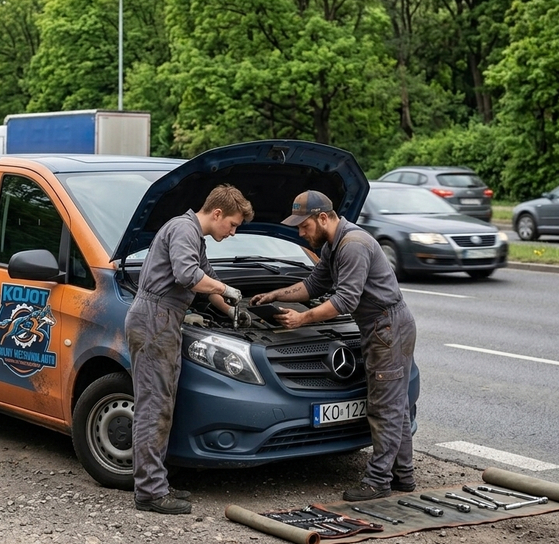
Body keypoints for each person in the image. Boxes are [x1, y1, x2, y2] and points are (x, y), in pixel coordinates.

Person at [250, 190, 417, 502]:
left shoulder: (353, 245)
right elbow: (314, 285)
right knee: (396, 404)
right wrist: (274, 295)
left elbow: (345, 300)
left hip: (388, 327)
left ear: (323, 217)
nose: (300, 232)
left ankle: (378, 481)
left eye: (304, 226)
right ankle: (402, 475)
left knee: (384, 407)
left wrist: (303, 320)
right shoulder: (332, 245)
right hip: (379, 326)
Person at [126, 184, 254, 514]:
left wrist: (232, 310)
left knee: (162, 403)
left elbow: (205, 277)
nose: (233, 232)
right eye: (233, 225)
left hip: (163, 319)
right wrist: (229, 290)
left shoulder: (193, 236)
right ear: (217, 214)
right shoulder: (183, 229)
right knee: (154, 405)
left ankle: (157, 483)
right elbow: (189, 276)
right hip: (155, 318)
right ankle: (149, 492)